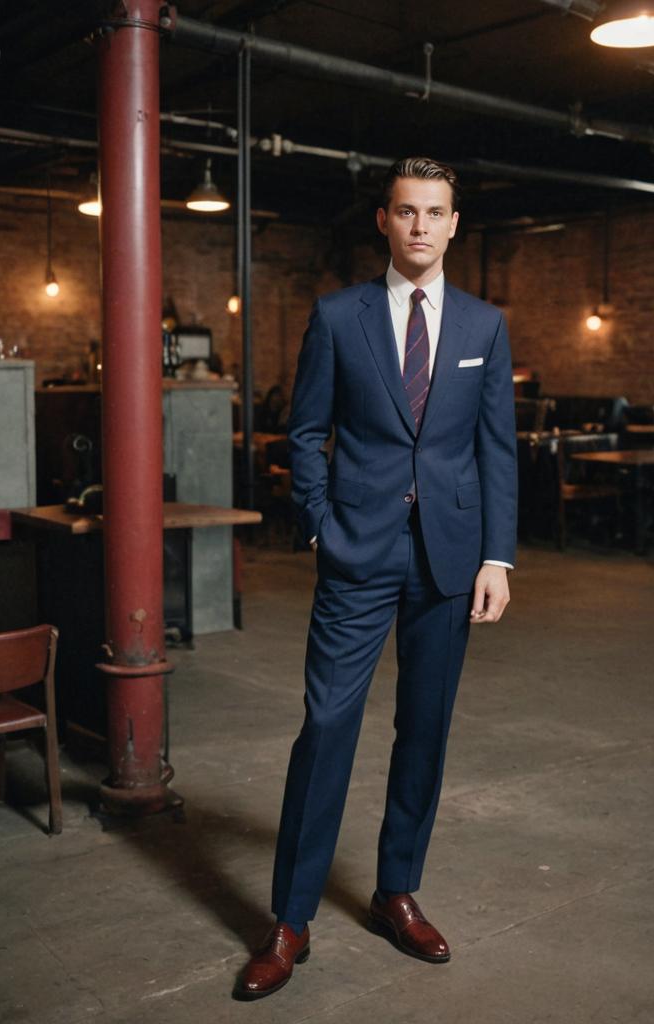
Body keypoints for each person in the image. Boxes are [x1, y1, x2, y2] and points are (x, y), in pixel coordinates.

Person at [236, 156, 517, 1000]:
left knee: (423, 732)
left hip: (449, 558)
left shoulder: (483, 327)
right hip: (357, 554)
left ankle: (397, 890)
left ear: (454, 224)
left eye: (436, 212)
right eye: (407, 212)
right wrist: (321, 526)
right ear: (385, 223)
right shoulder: (336, 316)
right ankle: (290, 920)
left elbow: (494, 450)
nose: (421, 226)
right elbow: (306, 432)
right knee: (327, 728)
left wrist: (498, 556)